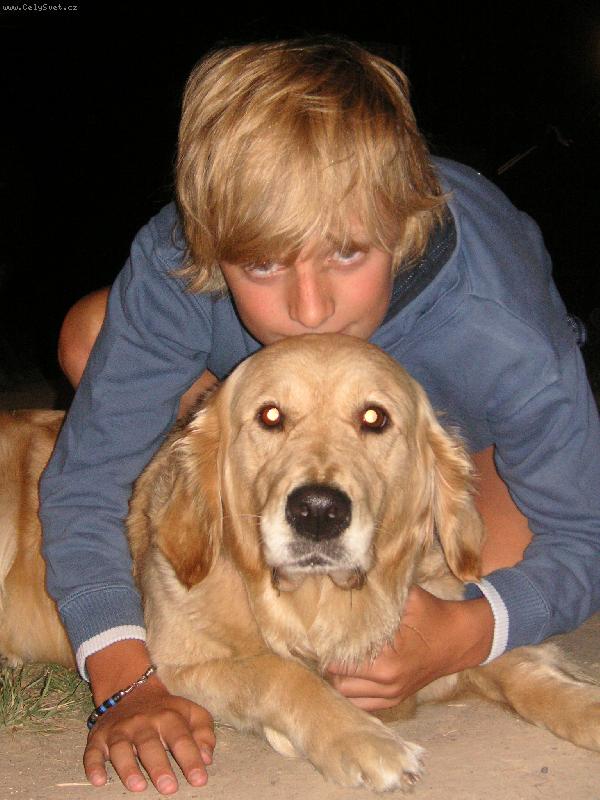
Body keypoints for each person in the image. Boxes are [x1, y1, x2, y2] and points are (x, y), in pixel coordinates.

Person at [39, 37, 600, 795]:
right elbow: (84, 487)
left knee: (476, 594)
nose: (309, 310)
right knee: (91, 331)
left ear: (402, 225)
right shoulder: (181, 258)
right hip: (249, 410)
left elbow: (586, 533)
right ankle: (252, 459)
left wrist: (472, 628)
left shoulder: (502, 327)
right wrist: (125, 678)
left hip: (462, 451)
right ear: (210, 242)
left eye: (347, 254)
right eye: (261, 264)